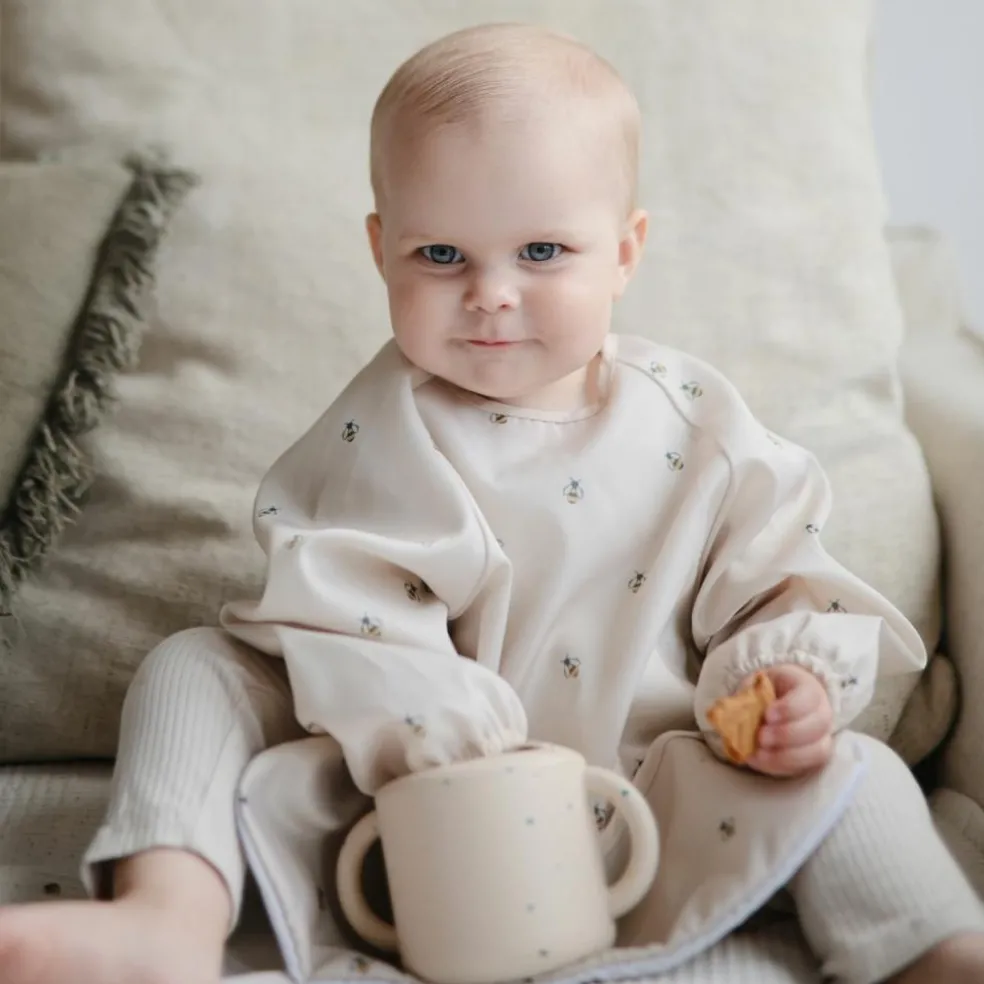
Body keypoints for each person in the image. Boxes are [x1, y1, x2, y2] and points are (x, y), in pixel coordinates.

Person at [2, 22, 983, 984]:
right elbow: (345, 611)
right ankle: (168, 917)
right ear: (383, 248)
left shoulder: (697, 420)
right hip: (404, 812)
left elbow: (778, 579)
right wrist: (448, 744)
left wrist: (786, 686)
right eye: (442, 257)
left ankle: (927, 943)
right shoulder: (383, 427)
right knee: (192, 669)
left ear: (626, 252)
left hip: (663, 794)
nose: (491, 295)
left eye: (544, 251)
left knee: (859, 771)